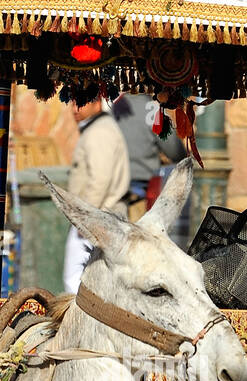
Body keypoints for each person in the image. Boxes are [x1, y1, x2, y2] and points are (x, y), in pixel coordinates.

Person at [62, 95, 129, 293]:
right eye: (73, 102)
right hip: (98, 219)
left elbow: (99, 180)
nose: (75, 108)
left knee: (76, 284)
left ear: (97, 103)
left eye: (80, 102)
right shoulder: (98, 129)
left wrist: (85, 217)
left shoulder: (99, 132)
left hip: (96, 220)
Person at [110, 93, 186, 222]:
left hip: (113, 188)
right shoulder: (152, 110)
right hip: (141, 189)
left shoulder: (115, 107)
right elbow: (174, 151)